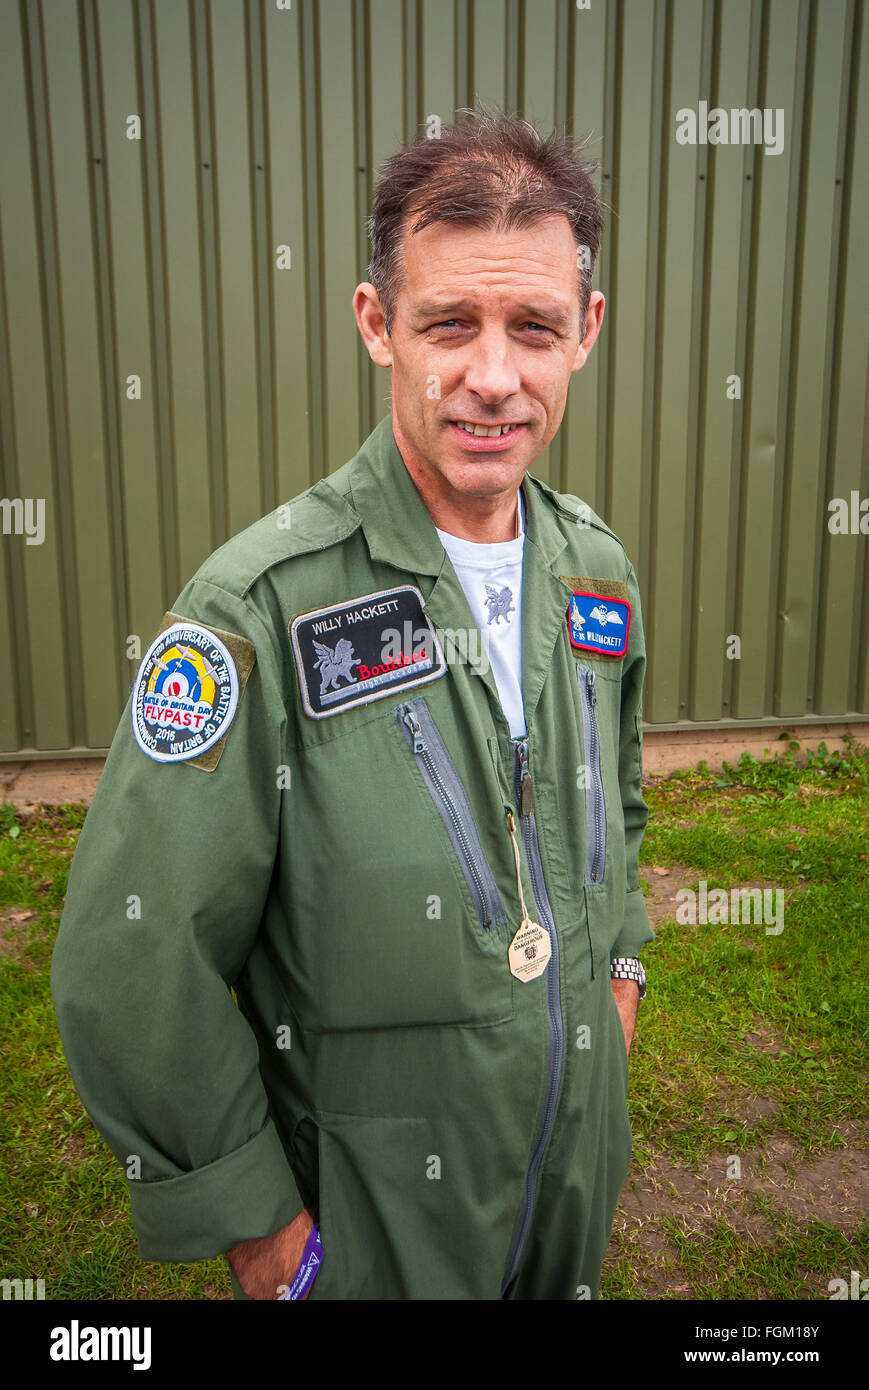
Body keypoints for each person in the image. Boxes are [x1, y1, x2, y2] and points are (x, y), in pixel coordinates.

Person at [51, 102, 653, 1301]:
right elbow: (132, 953)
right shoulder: (255, 608)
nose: (493, 377)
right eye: (449, 323)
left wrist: (618, 986)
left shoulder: (596, 572)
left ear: (584, 332)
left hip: (565, 1190)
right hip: (371, 1238)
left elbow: (614, 814)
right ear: (377, 325)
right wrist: (270, 1241)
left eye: (532, 326)